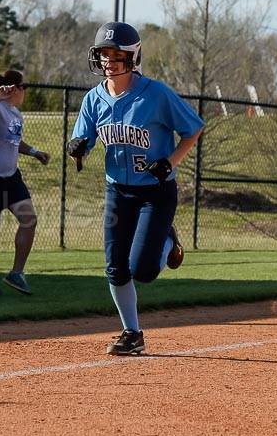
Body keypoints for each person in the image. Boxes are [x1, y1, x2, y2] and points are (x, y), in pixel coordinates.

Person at [68, 22, 203, 355]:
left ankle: (168, 239)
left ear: (132, 56)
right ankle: (132, 334)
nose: (109, 61)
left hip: (155, 192)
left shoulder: (155, 94)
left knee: (142, 270)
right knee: (115, 267)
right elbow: (84, 140)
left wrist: (170, 162)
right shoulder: (93, 99)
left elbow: (193, 129)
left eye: (116, 55)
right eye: (103, 54)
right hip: (118, 191)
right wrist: (79, 148)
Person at [0, 69, 51, 295]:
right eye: (24, 86)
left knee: (29, 220)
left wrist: (34, 152)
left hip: (10, 178)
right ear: (13, 88)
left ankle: (16, 273)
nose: (25, 91)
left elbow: (13, 141)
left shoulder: (15, 114)